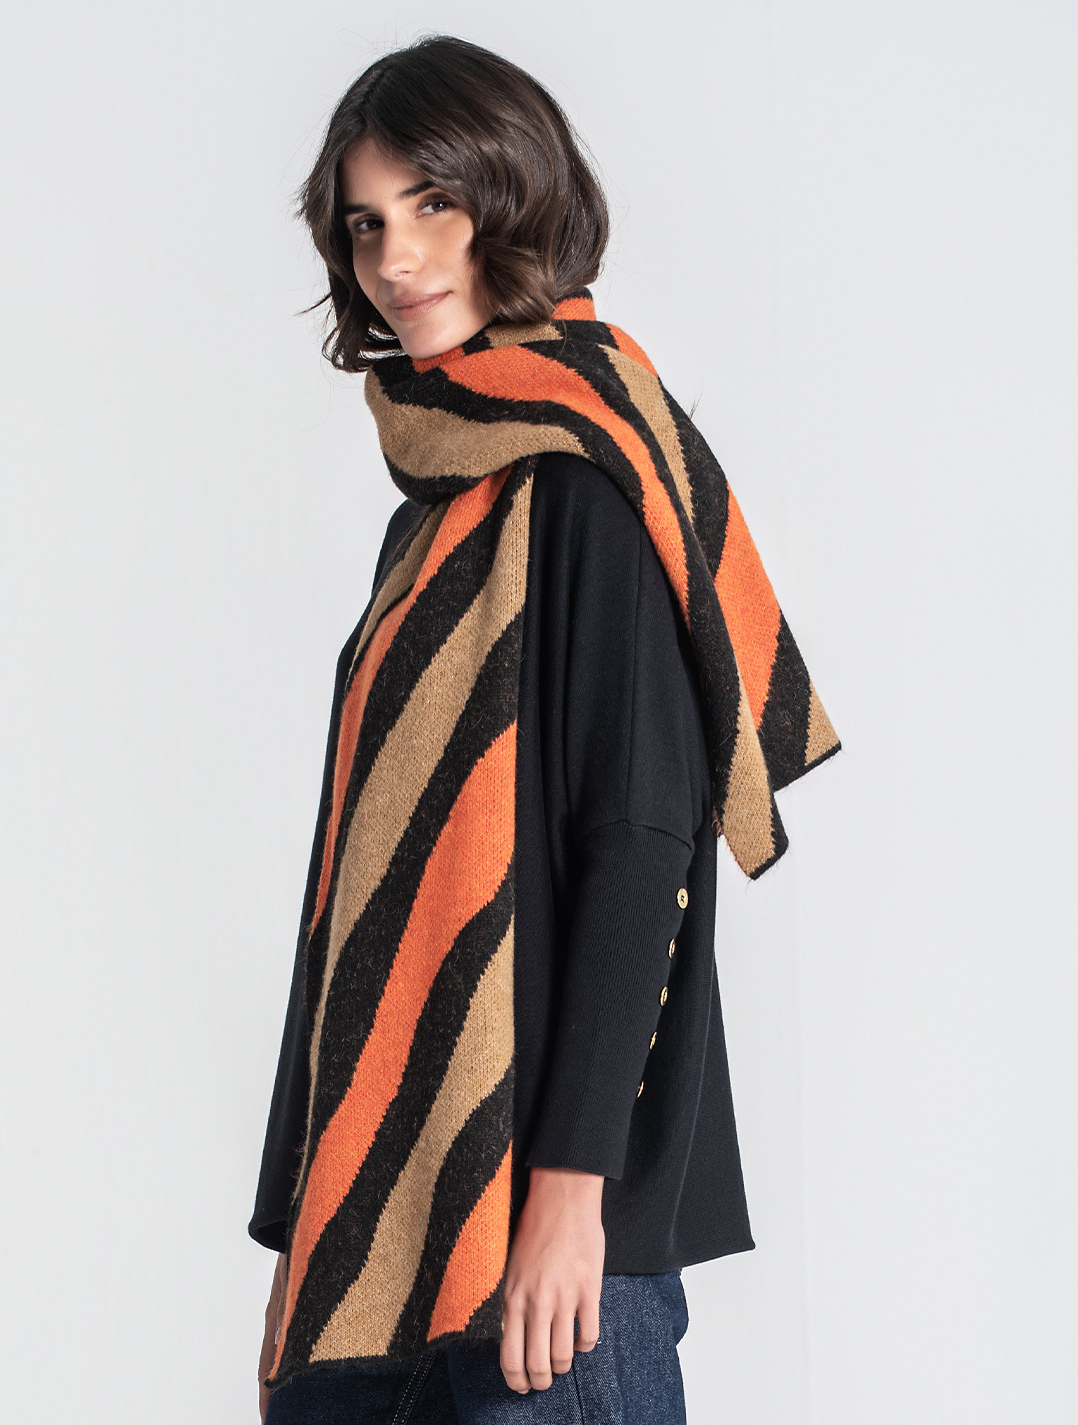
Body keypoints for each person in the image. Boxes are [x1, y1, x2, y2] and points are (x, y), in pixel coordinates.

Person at [249, 34, 840, 1425]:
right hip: (383, 1237)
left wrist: (571, 1197)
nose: (396, 257)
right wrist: (308, 1238)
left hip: (543, 1242)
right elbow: (358, 896)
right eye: (365, 224)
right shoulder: (437, 512)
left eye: (433, 204)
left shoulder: (590, 480)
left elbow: (639, 844)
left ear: (514, 196)